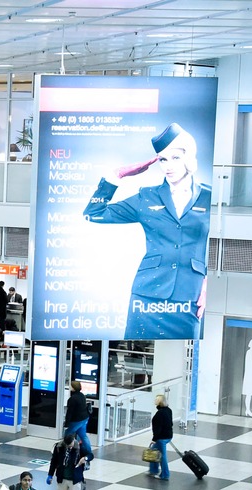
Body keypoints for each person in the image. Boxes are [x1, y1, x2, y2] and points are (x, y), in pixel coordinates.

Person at [83, 123, 211, 339]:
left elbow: (220, 247)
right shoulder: (147, 197)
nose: (168, 166)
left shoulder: (210, 197)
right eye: (163, 159)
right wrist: (117, 175)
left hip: (189, 296)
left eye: (176, 158)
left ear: (189, 157)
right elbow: (93, 213)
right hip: (147, 296)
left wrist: (209, 285)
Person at [63, 379, 94, 457]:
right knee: (83, 435)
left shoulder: (72, 399)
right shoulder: (82, 395)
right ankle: (89, 452)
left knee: (68, 434)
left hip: (76, 420)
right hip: (84, 418)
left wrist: (67, 423)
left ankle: (65, 450)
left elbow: (70, 412)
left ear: (73, 388)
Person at [150, 394, 174, 481]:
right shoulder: (168, 410)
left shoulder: (160, 413)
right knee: (153, 451)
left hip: (161, 438)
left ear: (160, 402)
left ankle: (165, 475)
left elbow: (158, 428)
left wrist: (154, 439)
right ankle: (153, 470)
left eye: (156, 399)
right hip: (168, 435)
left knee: (162, 456)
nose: (155, 401)